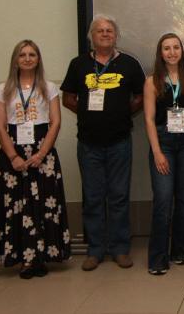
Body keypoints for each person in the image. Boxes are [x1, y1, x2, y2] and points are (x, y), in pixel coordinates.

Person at [61, 14, 145, 271]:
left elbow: (142, 96)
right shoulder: (78, 64)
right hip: (88, 143)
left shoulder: (129, 64)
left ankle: (120, 248)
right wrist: (88, 114)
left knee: (119, 196)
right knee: (93, 197)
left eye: (109, 30)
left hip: (120, 141)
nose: (105, 34)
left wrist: (121, 113)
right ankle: (95, 250)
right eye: (100, 31)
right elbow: (68, 98)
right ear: (92, 36)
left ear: (116, 35)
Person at [0, 40, 71, 278]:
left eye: (32, 54)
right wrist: (13, 156)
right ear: (15, 59)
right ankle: (23, 258)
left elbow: (55, 122)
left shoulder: (49, 87)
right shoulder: (2, 88)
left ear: (38, 59)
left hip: (42, 149)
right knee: (17, 205)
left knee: (44, 204)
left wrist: (41, 153)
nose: (27, 58)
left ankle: (42, 256)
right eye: (22, 55)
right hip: (13, 152)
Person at [143, 33, 184, 275]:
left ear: (181, 50)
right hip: (164, 142)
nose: (172, 52)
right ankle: (158, 258)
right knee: (163, 200)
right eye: (166, 48)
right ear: (160, 53)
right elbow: (148, 119)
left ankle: (180, 251)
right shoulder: (152, 81)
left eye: (176, 48)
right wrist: (157, 151)